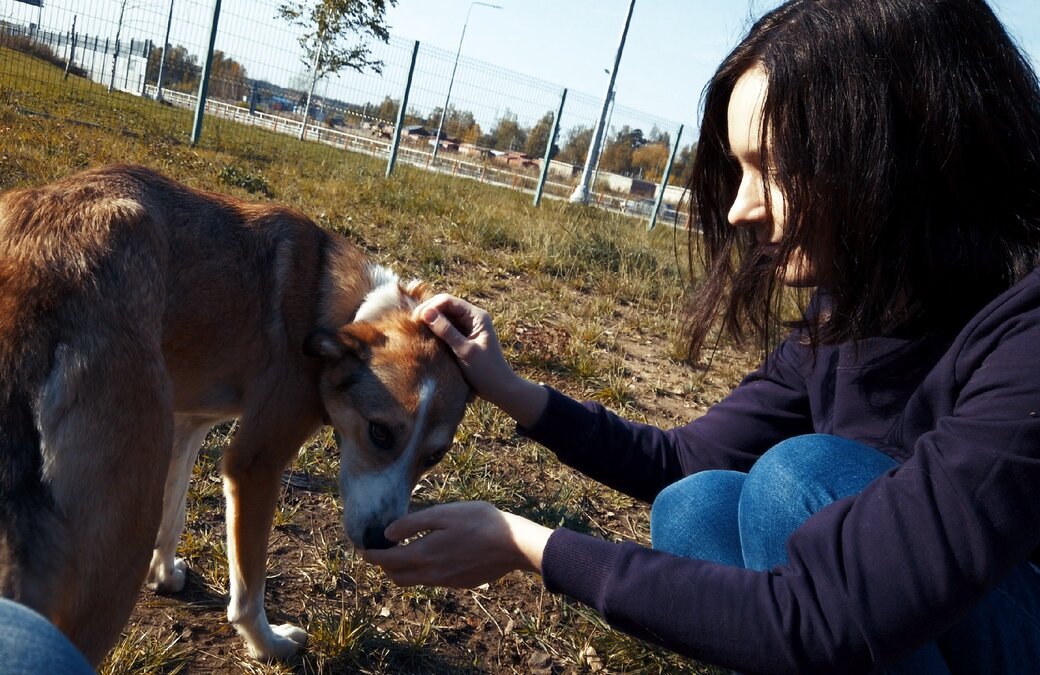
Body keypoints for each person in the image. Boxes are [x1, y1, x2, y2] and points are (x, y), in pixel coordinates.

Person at [362, 0, 1040, 672]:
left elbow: (832, 613)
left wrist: (529, 544)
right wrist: (507, 386)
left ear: (897, 147)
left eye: (777, 167)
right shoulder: (849, 316)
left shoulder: (1026, 332)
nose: (742, 207)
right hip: (880, 618)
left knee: (797, 479)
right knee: (697, 505)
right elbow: (682, 460)